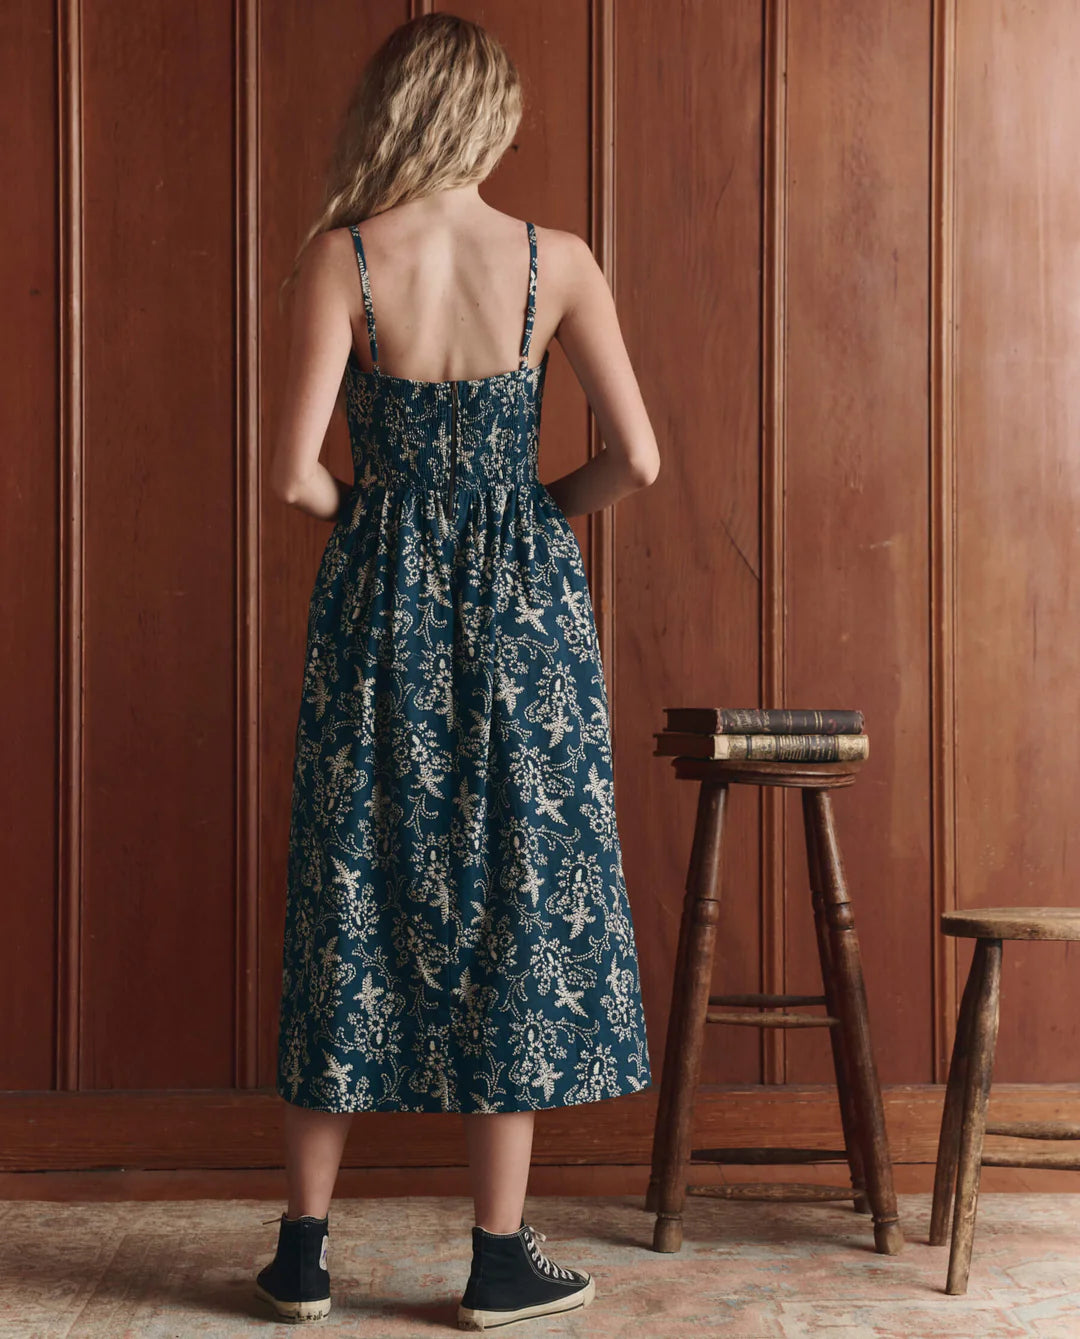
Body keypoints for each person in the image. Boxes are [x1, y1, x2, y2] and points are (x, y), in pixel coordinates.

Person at [255, 12, 660, 1330]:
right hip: (526, 610)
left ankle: (305, 1257)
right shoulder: (560, 262)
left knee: (350, 890)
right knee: (517, 899)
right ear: (489, 118)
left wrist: (370, 511)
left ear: (391, 108)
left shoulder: (342, 256)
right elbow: (638, 464)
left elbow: (291, 475)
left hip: (377, 604)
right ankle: (496, 1259)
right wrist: (532, 507)